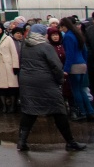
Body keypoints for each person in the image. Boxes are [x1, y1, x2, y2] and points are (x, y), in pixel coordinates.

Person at [16, 24, 86, 152]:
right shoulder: (46, 47)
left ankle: (22, 142)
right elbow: (56, 66)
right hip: (45, 82)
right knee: (59, 110)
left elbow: (21, 62)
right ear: (43, 34)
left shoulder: (25, 45)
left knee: (29, 110)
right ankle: (70, 142)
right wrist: (60, 80)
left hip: (27, 81)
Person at [59, 16, 94, 121]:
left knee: (76, 90)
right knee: (82, 89)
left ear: (65, 26)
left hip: (74, 66)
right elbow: (85, 51)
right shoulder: (77, 34)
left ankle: (82, 112)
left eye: (61, 27)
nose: (61, 29)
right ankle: (90, 112)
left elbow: (69, 54)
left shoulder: (68, 37)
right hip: (82, 64)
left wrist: (66, 69)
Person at [0, 21, 20, 113]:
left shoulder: (8, 39)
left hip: (9, 66)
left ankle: (12, 106)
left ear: (2, 29)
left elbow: (14, 52)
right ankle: (4, 106)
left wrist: (15, 66)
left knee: (12, 88)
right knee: (1, 87)